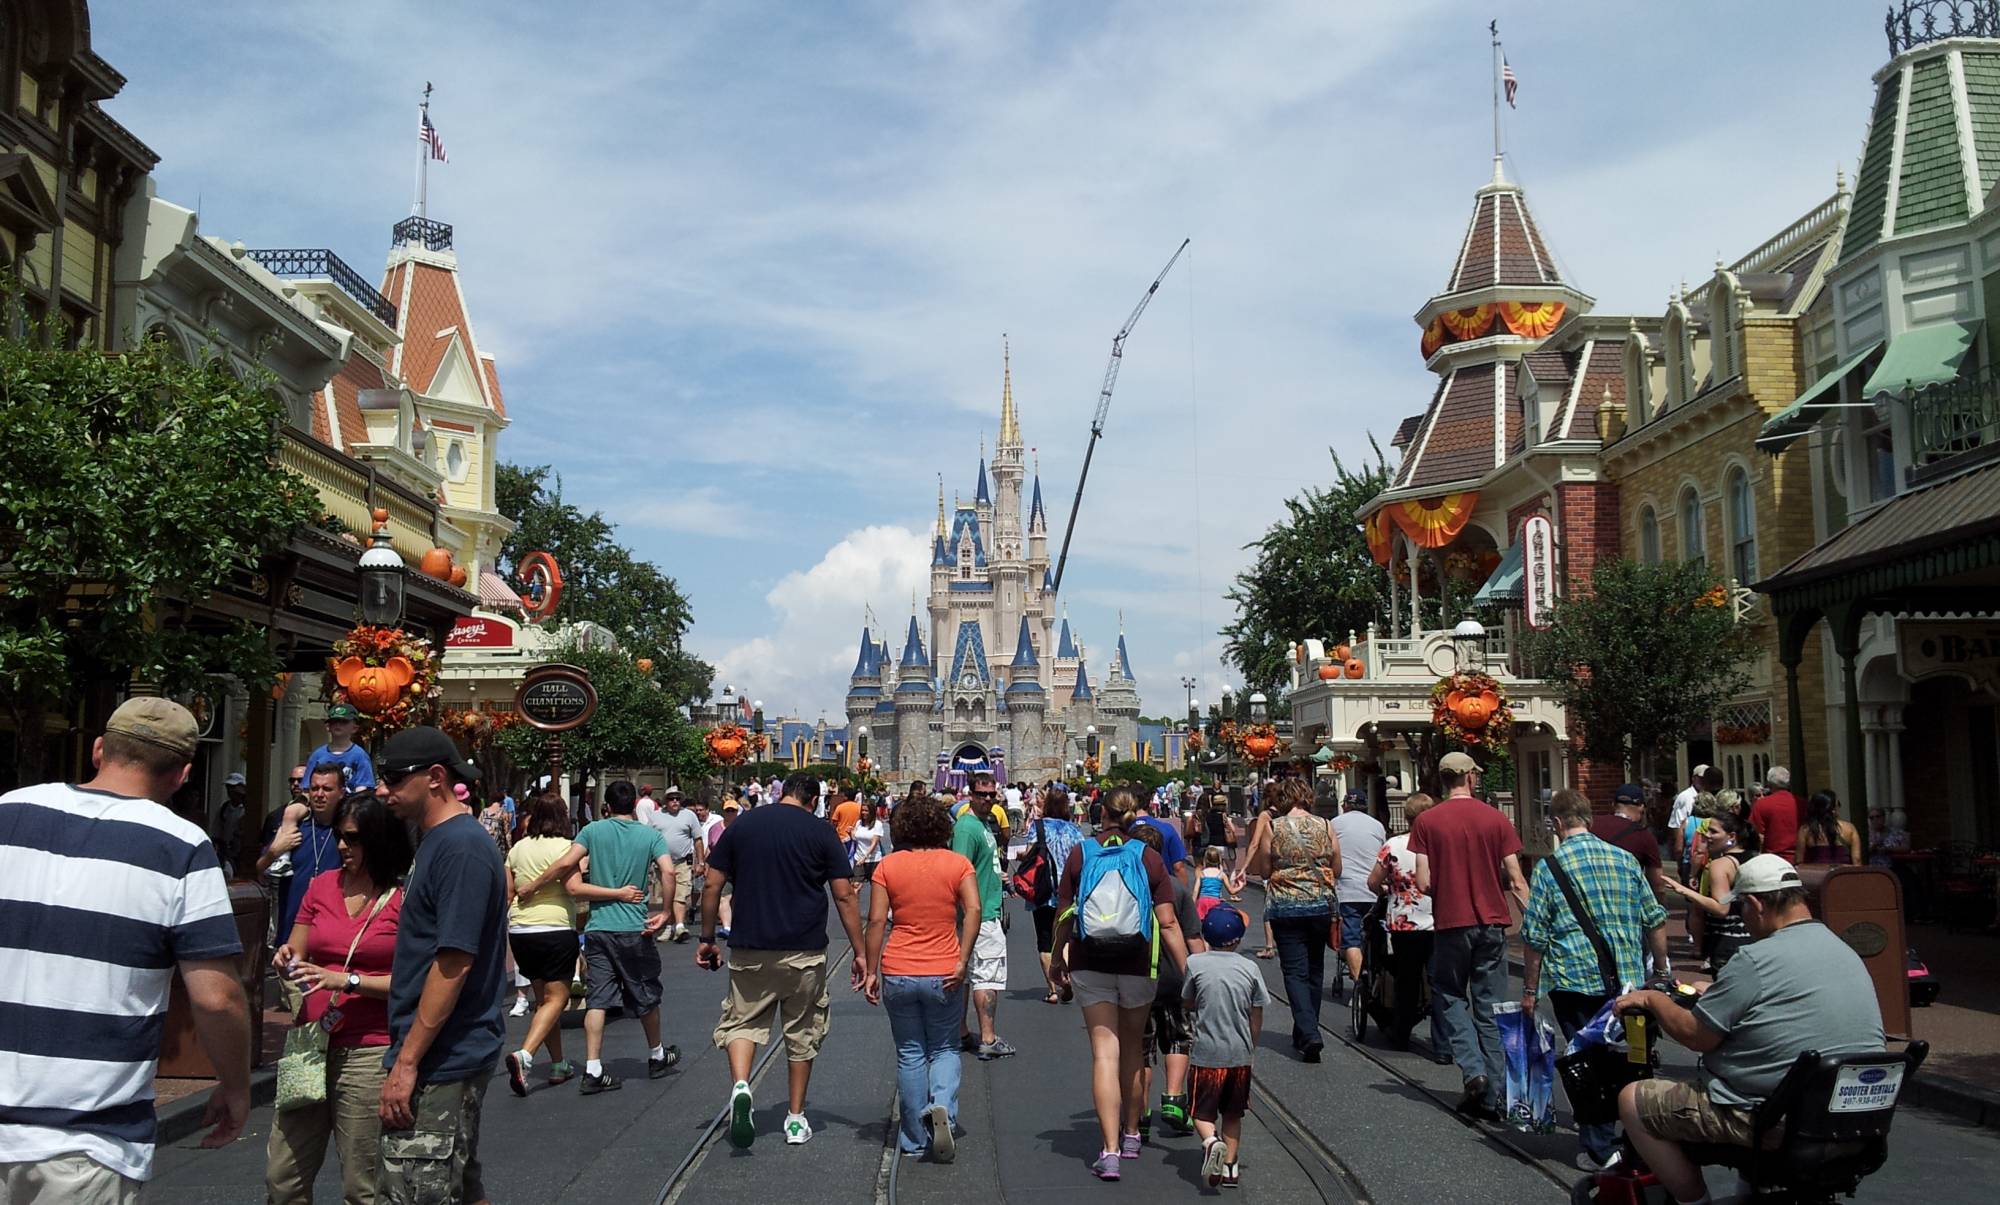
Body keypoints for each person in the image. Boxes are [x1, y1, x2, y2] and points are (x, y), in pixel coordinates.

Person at [0, 698, 249, 1198]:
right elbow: (216, 997)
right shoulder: (182, 847)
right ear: (181, 774)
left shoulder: (9, 812)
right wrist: (236, 1086)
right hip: (85, 1141)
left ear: (97, 750)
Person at [1614, 856, 1885, 1205]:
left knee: (1633, 1101)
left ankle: (1693, 1202)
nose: (1742, 916)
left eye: (1742, 906)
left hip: (1775, 1121)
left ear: (1756, 904)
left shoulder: (1755, 958)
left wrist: (1651, 998)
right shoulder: (1843, 950)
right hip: (1852, 1118)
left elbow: (1695, 1034)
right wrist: (1720, 991)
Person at [372, 727, 508, 1205]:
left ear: (434, 777)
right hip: (443, 1052)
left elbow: (453, 962)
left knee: (416, 1191)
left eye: (392, 777)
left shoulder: (460, 847)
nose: (381, 789)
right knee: (462, 1186)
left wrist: (407, 1062)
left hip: (444, 1057)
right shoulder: (436, 841)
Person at [697, 770, 866, 1148]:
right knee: (802, 1031)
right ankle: (794, 1117)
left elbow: (711, 883)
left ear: (783, 793)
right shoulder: (820, 831)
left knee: (741, 1021)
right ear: (813, 800)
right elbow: (844, 896)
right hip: (803, 947)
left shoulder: (742, 825)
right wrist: (859, 952)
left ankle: (742, 1086)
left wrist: (707, 938)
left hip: (750, 944)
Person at [266, 793, 412, 1203]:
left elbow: (411, 982)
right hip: (311, 1043)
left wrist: (346, 980)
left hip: (368, 1049)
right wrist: (286, 959)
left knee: (361, 1184)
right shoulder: (320, 886)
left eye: (353, 838)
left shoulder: (402, 897)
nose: (342, 846)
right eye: (338, 837)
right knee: (283, 1177)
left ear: (378, 840)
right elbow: (297, 952)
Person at [1520, 789, 1669, 1172]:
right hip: (1629, 985)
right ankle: (1641, 1138)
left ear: (1556, 823)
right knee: (1633, 1060)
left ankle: (1600, 1145)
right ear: (1589, 819)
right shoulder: (1624, 860)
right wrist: (1662, 972)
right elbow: (1654, 919)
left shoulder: (1549, 868)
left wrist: (1529, 991)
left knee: (1588, 1063)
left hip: (1576, 983)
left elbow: (1535, 937)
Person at [1048, 787, 1193, 1180]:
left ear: (1101, 812)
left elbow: (1064, 912)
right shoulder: (1148, 858)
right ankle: (1131, 1134)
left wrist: (1057, 959)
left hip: (1089, 961)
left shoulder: (1081, 853)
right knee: (1134, 1050)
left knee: (1104, 1054)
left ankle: (1109, 1151)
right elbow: (1167, 922)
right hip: (1137, 963)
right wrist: (1191, 974)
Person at [861, 794, 981, 1161]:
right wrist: (963, 958)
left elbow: (878, 920)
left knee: (911, 1053)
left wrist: (870, 968)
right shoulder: (958, 864)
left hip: (899, 968)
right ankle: (941, 1104)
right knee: (944, 1048)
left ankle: (913, 1140)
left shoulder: (888, 867)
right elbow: (973, 908)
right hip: (945, 968)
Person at [1411, 751, 1529, 1120]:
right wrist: (1534, 922)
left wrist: (1448, 890)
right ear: (1471, 779)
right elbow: (1516, 879)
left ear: (1444, 780)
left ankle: (1473, 1070)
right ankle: (1495, 1092)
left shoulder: (1427, 821)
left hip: (1451, 923)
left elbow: (1423, 881)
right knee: (1491, 1007)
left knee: (1448, 995)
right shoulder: (1496, 819)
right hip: (1492, 922)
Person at [1240, 778, 1341, 1061]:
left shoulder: (1274, 826)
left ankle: (1309, 1032)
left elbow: (1264, 870)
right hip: (1321, 906)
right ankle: (1306, 1029)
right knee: (1315, 970)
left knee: (1295, 971)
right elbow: (1337, 866)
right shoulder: (1326, 825)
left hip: (1286, 907)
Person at [501, 793, 583, 1093]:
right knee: (558, 999)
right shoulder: (567, 848)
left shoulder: (518, 849)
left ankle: (559, 1062)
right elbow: (574, 887)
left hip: (521, 930)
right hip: (554, 926)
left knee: (543, 1002)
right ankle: (526, 1054)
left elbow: (509, 891)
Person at [1128, 823, 1204, 1139]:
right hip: (1173, 974)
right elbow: (1193, 938)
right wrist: (1198, 974)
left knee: (1141, 1045)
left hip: (1136, 975)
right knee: (1177, 1036)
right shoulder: (1178, 888)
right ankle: (1174, 1099)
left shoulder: (1123, 883)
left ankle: (1141, 1112)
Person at [1183, 906, 1267, 1190]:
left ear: (1205, 936)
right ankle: (1230, 1166)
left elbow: (1188, 1001)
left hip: (1207, 1053)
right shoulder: (1251, 968)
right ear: (1238, 939)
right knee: (1233, 1113)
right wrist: (1251, 1046)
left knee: (1200, 1112)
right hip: (1239, 1054)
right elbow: (1256, 1014)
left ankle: (1211, 1141)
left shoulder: (1195, 964)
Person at [263, 765, 349, 992]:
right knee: (299, 1013)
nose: (319, 794)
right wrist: (275, 850)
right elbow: (259, 868)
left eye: (327, 788)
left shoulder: (350, 833)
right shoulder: (293, 828)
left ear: (341, 792)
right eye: (315, 788)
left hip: (333, 941)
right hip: (292, 938)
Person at [1368, 791, 1439, 1051]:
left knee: (1406, 979)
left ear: (1407, 817)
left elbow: (1373, 881)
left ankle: (1401, 1033)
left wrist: (1388, 891)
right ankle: (1443, 1044)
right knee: (1438, 981)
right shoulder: (1440, 843)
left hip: (1404, 922)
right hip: (1438, 919)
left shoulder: (1394, 845)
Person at [953, 775, 1014, 1060]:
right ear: (970, 794)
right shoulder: (967, 827)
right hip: (980, 914)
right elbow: (959, 870)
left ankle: (962, 1032)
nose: (988, 799)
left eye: (992, 795)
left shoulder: (981, 824)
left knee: (968, 976)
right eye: (982, 794)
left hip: (983, 910)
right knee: (986, 976)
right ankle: (988, 1038)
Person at [1663, 813, 1753, 973]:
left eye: (1713, 832)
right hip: (1752, 937)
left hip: (1727, 941)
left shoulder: (1720, 865)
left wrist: (1684, 890)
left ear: (1731, 836)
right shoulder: (1753, 857)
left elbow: (1721, 908)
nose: (1707, 836)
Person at [1022, 787, 1086, 1004]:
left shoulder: (1038, 827)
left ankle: (1052, 990)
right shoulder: (1075, 831)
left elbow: (1029, 853)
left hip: (1042, 890)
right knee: (1064, 937)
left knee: (1044, 941)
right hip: (1068, 892)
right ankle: (1067, 975)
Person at [1331, 788, 1387, 990]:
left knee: (1352, 938)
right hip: (1373, 889)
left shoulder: (1335, 824)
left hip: (1347, 889)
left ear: (1345, 805)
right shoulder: (1377, 826)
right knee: (1376, 936)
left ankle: (1359, 986)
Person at [643, 785, 706, 943]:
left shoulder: (689, 816)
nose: (675, 801)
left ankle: (679, 926)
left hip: (683, 862)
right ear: (666, 801)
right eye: (671, 799)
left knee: (681, 894)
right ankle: (669, 927)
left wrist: (701, 862)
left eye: (678, 798)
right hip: (662, 864)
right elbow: (647, 839)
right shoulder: (655, 816)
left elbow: (698, 840)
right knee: (667, 895)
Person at [1595, 783, 1669, 898]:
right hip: (1626, 901)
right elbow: (1657, 883)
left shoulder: (1592, 825)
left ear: (1613, 805)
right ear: (1641, 807)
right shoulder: (1644, 836)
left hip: (1591, 898)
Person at [304, 702, 376, 791]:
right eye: (334, 722)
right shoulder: (317, 755)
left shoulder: (360, 755)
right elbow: (307, 786)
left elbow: (363, 788)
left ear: (354, 728)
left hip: (351, 803)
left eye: (344, 722)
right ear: (328, 727)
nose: (338, 725)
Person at [1748, 766, 1802, 863]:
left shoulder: (1761, 805)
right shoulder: (1802, 803)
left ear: (1769, 783)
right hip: (1799, 859)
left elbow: (1757, 836)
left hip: (1772, 860)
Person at [1798, 790, 1863, 866]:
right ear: (1833, 809)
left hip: (1818, 875)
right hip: (1843, 874)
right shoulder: (1849, 828)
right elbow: (1857, 859)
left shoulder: (1806, 830)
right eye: (1838, 804)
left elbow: (1799, 861)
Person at [1668, 765, 1723, 843]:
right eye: (1701, 778)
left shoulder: (1713, 797)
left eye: (1706, 779)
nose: (1703, 781)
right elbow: (1677, 825)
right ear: (1693, 778)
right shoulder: (1685, 797)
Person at [214, 771, 248, 871]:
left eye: (233, 787)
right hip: (226, 853)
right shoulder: (224, 809)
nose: (230, 790)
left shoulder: (248, 808)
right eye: (228, 787)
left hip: (242, 853)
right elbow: (217, 830)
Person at [850, 800, 888, 883]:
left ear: (871, 811)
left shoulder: (877, 824)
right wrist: (851, 832)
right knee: (855, 885)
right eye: (862, 810)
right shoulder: (859, 823)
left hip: (873, 860)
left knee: (875, 886)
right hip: (859, 858)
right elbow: (855, 839)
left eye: (866, 810)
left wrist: (865, 857)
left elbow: (874, 843)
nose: (863, 813)